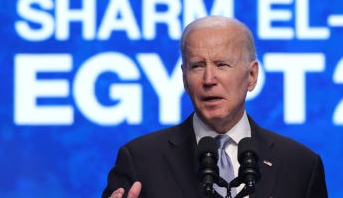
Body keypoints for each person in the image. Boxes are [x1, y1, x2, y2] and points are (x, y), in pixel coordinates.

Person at [102, 16, 328, 198]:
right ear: (184, 78)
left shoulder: (300, 164)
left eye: (222, 64)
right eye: (197, 66)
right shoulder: (140, 160)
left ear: (251, 76)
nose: (209, 79)